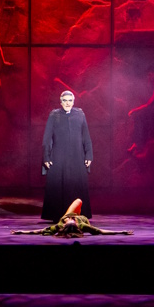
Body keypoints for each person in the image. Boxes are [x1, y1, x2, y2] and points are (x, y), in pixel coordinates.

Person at [41, 90, 93, 222]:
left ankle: (77, 214)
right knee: (59, 184)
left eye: (70, 100)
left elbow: (86, 136)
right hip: (59, 155)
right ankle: (58, 214)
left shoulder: (80, 114)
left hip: (77, 155)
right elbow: (47, 137)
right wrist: (46, 157)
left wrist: (89, 155)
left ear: (73, 102)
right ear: (61, 102)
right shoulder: (54, 115)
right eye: (65, 101)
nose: (68, 103)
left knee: (76, 183)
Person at [12, 199, 131, 237]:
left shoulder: (60, 225)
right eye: (72, 220)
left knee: (78, 201)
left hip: (70, 213)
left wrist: (21, 232)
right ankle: (78, 212)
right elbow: (101, 231)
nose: (71, 219)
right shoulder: (82, 225)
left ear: (64, 224)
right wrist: (121, 232)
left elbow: (38, 231)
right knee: (79, 200)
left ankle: (76, 211)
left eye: (69, 220)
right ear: (76, 223)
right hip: (83, 218)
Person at [126, 70, 154, 157]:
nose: (149, 77)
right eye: (148, 75)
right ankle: (137, 144)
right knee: (142, 119)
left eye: (150, 75)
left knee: (139, 118)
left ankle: (138, 144)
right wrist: (134, 110)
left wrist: (146, 105)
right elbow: (148, 104)